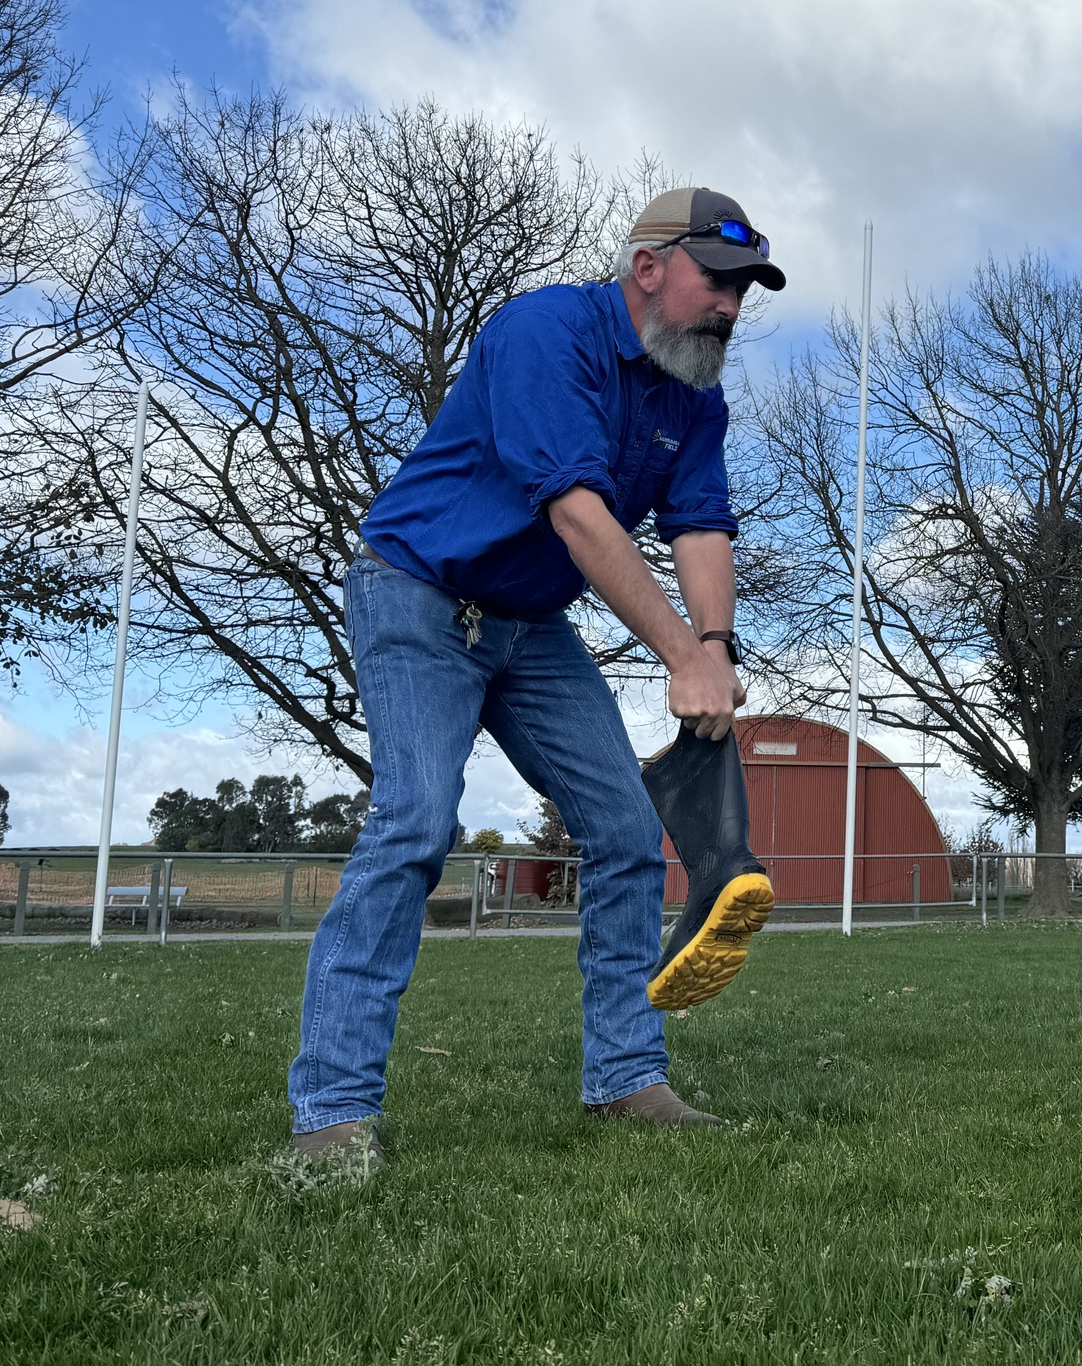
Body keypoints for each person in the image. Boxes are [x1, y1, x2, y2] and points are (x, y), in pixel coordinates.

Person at [286, 188, 785, 1164]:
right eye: (717, 280)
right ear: (649, 268)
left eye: (745, 290)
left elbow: (698, 525)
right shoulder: (541, 335)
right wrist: (678, 655)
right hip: (418, 597)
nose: (732, 305)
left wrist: (716, 648)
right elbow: (577, 514)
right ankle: (332, 1117)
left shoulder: (695, 394)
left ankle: (627, 1081)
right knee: (415, 822)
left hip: (528, 627)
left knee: (627, 833)